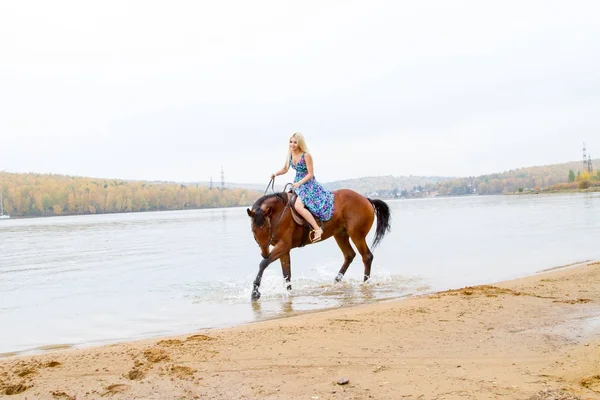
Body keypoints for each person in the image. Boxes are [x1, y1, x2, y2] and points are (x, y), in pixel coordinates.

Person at [271, 132, 335, 243]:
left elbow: (310, 174)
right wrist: (275, 174)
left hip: (308, 184)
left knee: (298, 206)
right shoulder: (290, 154)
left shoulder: (306, 155)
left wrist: (300, 183)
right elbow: (285, 169)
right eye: (291, 142)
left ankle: (317, 229)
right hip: (297, 183)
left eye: (295, 142)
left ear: (300, 143)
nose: (292, 144)